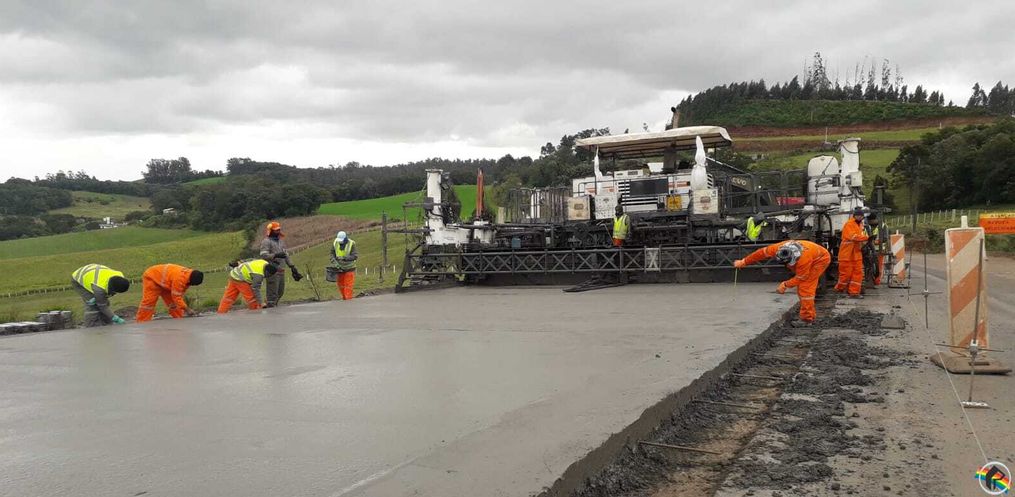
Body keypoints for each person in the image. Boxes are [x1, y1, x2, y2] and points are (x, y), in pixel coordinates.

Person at [734, 239, 831, 325]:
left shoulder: (803, 260)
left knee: (805, 287)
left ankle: (807, 319)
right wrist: (744, 262)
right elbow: (761, 253)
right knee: (802, 284)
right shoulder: (776, 248)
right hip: (811, 254)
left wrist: (785, 284)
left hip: (820, 259)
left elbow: (801, 277)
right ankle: (807, 315)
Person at [135, 264, 204, 322]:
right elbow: (177, 297)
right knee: (149, 303)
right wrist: (187, 309)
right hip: (152, 277)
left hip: (166, 282)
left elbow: (180, 293)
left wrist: (184, 307)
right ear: (191, 281)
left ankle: (179, 319)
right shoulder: (179, 279)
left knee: (173, 303)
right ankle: (142, 322)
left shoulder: (188, 276)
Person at [259, 221, 303, 307]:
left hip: (281, 270)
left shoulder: (281, 241)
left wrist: (292, 266)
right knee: (272, 292)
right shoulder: (266, 242)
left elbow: (286, 255)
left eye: (279, 229)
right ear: (271, 231)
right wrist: (275, 255)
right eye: (276, 230)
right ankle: (271, 306)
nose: (278, 231)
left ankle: (273, 304)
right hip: (272, 270)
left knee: (280, 292)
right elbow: (263, 255)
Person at [835, 207, 869, 298]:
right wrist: (866, 238)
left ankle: (854, 293)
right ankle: (840, 290)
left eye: (861, 216)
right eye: (858, 215)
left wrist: (865, 240)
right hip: (846, 254)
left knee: (858, 274)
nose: (859, 217)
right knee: (845, 274)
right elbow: (853, 237)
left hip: (856, 253)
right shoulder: (849, 224)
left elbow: (860, 236)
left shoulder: (860, 225)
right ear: (854, 216)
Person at [331, 231, 358, 300]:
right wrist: (335, 263)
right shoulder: (335, 243)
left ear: (345, 238)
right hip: (339, 268)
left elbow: (355, 256)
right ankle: (344, 299)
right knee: (340, 285)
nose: (340, 242)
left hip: (349, 268)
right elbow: (332, 255)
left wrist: (344, 258)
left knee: (348, 286)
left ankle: (348, 301)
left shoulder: (351, 243)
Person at [866, 212, 888, 286]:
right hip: (868, 250)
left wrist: (875, 242)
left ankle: (877, 281)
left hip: (879, 250)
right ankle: (870, 280)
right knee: (869, 266)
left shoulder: (883, 226)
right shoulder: (867, 226)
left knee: (878, 266)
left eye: (870, 220)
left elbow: (885, 238)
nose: (869, 222)